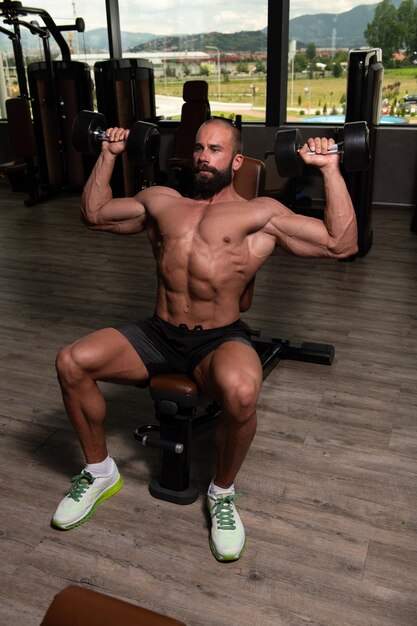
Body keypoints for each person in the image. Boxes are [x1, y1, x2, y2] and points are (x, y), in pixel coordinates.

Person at [52, 117, 358, 562]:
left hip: (217, 339)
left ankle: (222, 493)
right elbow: (94, 214)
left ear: (235, 162)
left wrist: (330, 168)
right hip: (158, 334)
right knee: (70, 362)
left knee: (242, 391)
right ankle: (99, 471)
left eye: (214, 149)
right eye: (198, 148)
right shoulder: (161, 201)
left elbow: (340, 244)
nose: (202, 156)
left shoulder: (261, 214)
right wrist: (108, 155)